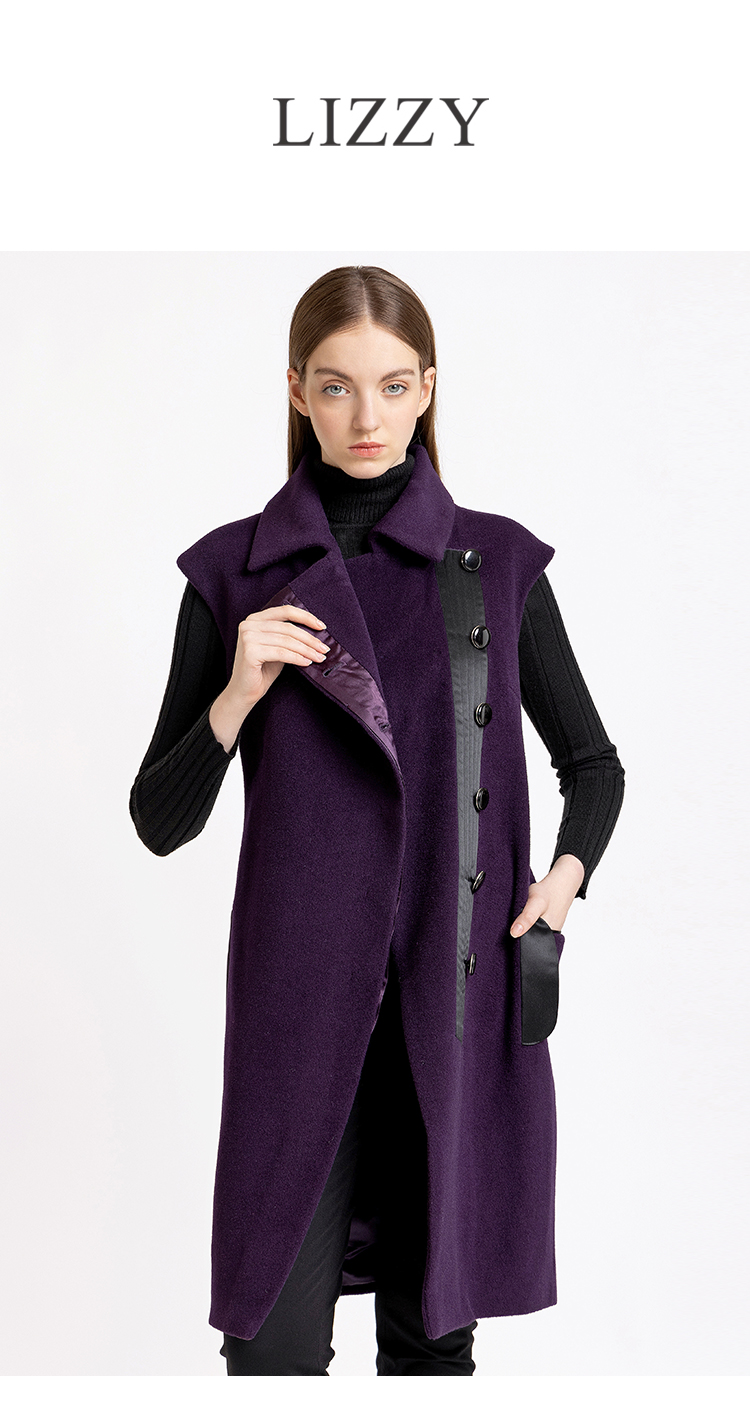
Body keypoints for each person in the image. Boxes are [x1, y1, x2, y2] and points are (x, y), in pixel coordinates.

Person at [130, 265, 625, 1376]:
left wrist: (560, 884)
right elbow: (159, 819)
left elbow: (594, 766)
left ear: (428, 389)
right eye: (338, 386)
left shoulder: (494, 563)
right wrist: (236, 693)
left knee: (430, 1345)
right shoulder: (234, 573)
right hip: (298, 1009)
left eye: (394, 386)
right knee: (268, 1351)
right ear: (297, 390)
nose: (368, 416)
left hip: (451, 1000)